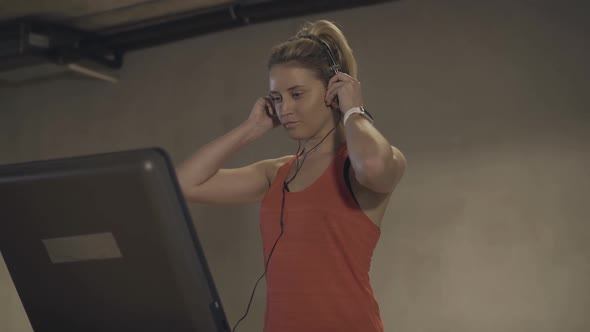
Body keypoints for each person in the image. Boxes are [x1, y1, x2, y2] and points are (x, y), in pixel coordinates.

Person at [176, 19, 406, 332]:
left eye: (297, 94)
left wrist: (353, 110)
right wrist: (250, 129)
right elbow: (183, 185)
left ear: (332, 91)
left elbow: (376, 169)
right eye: (277, 97)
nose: (284, 109)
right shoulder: (276, 173)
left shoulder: (360, 164)